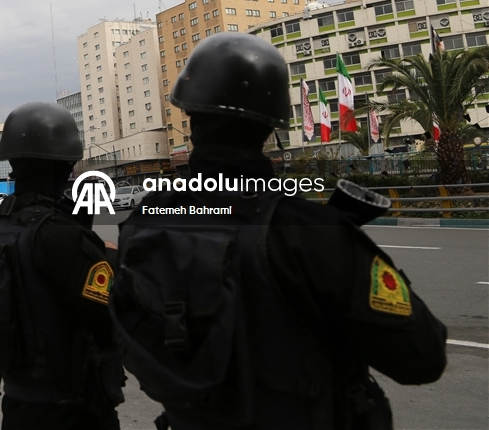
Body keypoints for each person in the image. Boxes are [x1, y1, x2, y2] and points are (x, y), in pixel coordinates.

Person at [110, 33, 447, 430]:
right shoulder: (308, 232)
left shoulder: (146, 220)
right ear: (272, 125)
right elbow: (421, 358)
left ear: (191, 117)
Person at [0, 102, 125, 430]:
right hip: (72, 411)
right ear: (67, 165)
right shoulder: (61, 235)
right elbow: (111, 315)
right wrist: (112, 259)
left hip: (19, 404)